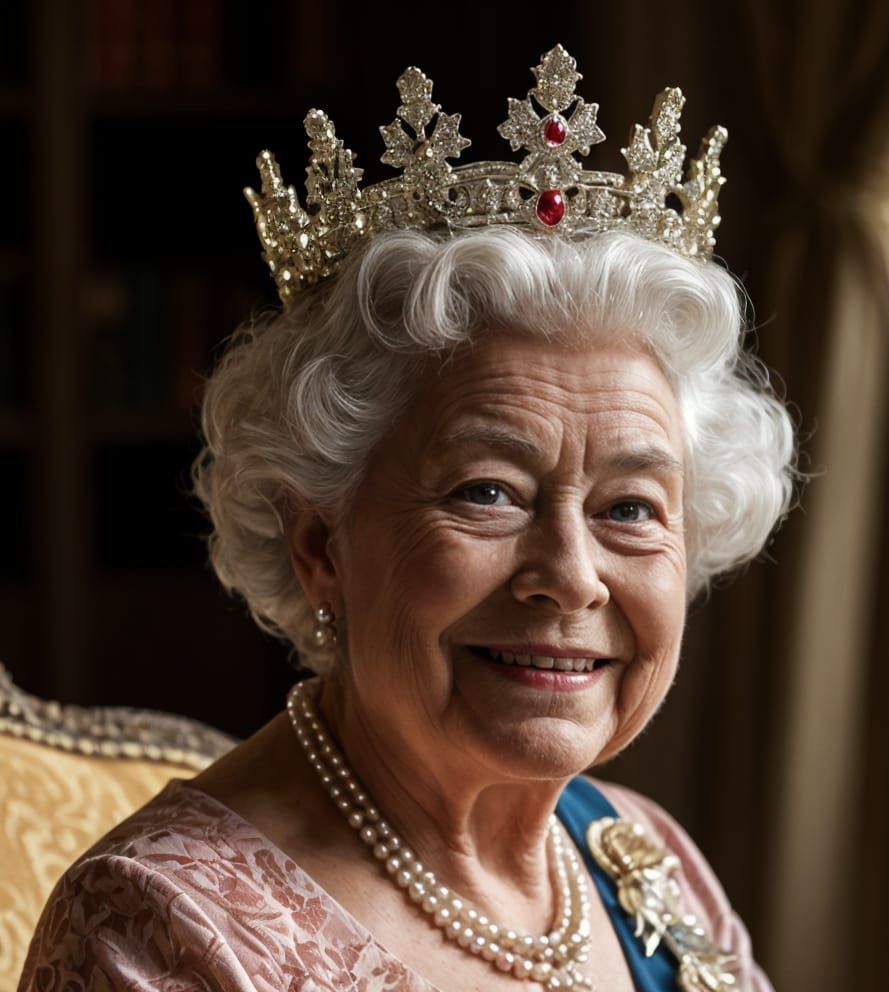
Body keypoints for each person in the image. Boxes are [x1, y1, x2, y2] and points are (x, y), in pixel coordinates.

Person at [19, 46, 793, 991]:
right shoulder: (168, 927)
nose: (573, 575)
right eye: (487, 492)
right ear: (320, 546)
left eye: (630, 509)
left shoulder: (647, 864)